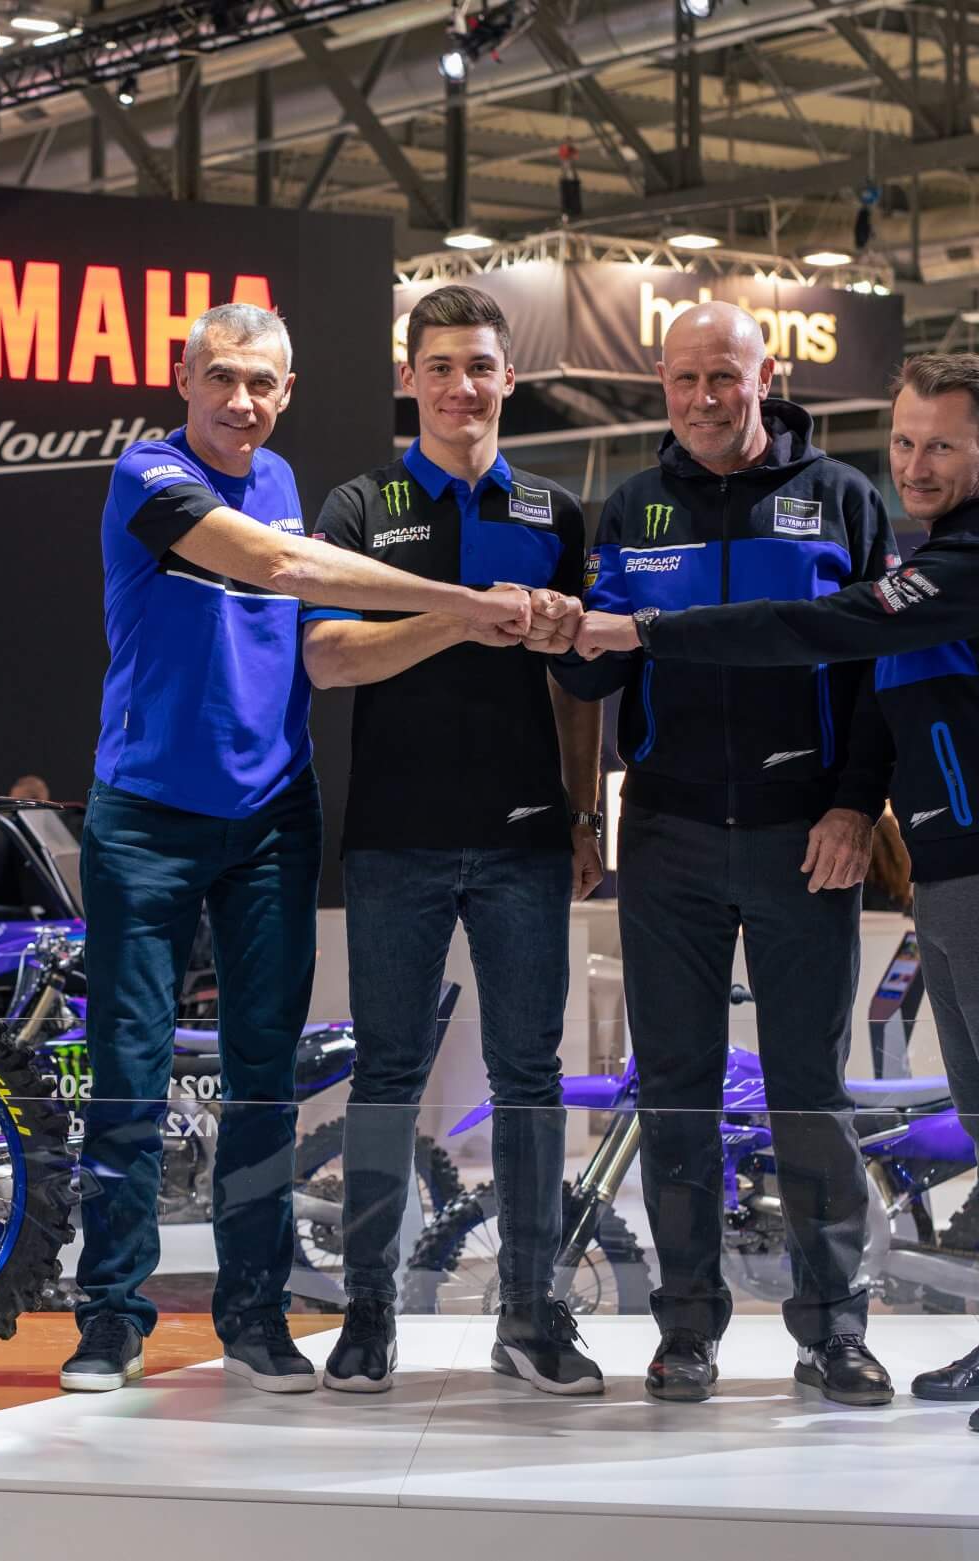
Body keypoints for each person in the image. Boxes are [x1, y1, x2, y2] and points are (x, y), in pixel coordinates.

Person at [576, 351, 979, 1434]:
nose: (915, 465)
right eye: (904, 441)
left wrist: (651, 630)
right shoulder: (960, 549)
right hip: (963, 875)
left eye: (942, 447)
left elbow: (819, 629)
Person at [60, 301, 552, 1397]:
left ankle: (254, 1316)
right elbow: (281, 566)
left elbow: (320, 649)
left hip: (275, 817)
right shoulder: (147, 475)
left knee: (263, 1080)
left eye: (262, 384)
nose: (241, 401)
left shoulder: (281, 476)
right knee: (130, 1071)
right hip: (145, 817)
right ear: (182, 379)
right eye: (221, 377)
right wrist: (463, 601)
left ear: (287, 392)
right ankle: (108, 1321)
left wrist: (458, 619)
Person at [550, 301, 898, 1409]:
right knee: (676, 1094)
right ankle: (686, 1329)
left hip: (808, 837)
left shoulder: (840, 499)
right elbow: (597, 675)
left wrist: (855, 807)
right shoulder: (631, 507)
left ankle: (834, 1330)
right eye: (684, 379)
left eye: (724, 377)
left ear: (766, 376)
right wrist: (565, 633)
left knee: (810, 1092)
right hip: (669, 836)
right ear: (661, 384)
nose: (704, 399)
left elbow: (881, 673)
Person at [299, 284, 602, 1396]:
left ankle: (529, 1312)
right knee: (387, 1073)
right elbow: (329, 657)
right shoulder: (358, 505)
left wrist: (583, 811)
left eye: (479, 366)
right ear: (408, 378)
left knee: (530, 1076)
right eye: (440, 366)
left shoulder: (557, 515)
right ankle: (368, 1311)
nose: (460, 386)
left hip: (527, 839)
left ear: (507, 378)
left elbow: (579, 686)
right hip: (395, 837)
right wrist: (464, 614)